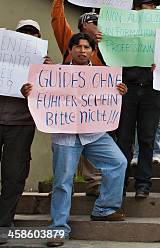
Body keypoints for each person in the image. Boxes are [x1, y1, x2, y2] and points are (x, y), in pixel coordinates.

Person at [21, 33, 127, 247]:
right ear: (70, 50)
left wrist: (118, 92)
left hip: (95, 133)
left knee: (118, 162)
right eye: (77, 46)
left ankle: (104, 209)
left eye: (87, 47)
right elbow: (39, 95)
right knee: (63, 181)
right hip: (65, 134)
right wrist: (28, 92)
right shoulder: (53, 75)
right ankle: (58, 228)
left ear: (93, 51)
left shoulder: (103, 77)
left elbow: (108, 99)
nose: (82, 50)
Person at [103, 0, 160, 199]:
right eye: (147, 6)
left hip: (151, 89)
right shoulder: (121, 31)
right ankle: (121, 181)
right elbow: (108, 54)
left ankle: (143, 183)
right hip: (126, 89)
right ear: (136, 10)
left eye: (154, 7)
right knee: (124, 137)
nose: (151, 10)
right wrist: (103, 40)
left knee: (147, 137)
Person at [51, 0, 103, 196]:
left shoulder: (105, 49)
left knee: (92, 141)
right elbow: (57, 20)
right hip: (67, 107)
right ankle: (64, 185)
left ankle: (94, 183)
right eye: (95, 22)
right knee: (65, 148)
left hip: (92, 107)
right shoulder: (70, 42)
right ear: (83, 25)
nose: (100, 25)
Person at [0, 20, 51, 243]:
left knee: (14, 174)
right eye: (24, 33)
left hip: (21, 125)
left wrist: (49, 72)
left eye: (33, 33)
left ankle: (3, 222)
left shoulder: (45, 64)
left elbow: (56, 95)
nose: (28, 36)